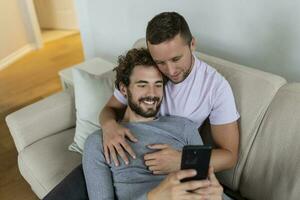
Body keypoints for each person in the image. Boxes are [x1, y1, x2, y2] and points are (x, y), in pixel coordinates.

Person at [100, 12, 240, 175]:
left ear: (192, 44)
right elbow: (109, 108)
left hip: (164, 169)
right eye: (160, 62)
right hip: (120, 155)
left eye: (176, 59)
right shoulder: (147, 67)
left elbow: (229, 156)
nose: (170, 71)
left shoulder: (215, 87)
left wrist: (183, 161)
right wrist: (109, 126)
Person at [83, 48, 223, 200]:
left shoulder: (184, 127)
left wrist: (216, 195)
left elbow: (206, 181)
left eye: (158, 84)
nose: (152, 93)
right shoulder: (98, 142)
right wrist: (154, 197)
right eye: (142, 85)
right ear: (124, 89)